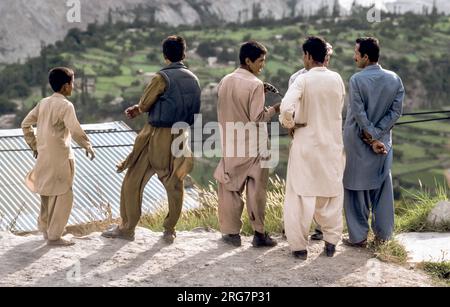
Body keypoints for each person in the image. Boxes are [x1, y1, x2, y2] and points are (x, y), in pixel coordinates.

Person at [102, 35, 201, 244]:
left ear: (165, 55)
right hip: (181, 135)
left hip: (158, 135)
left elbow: (146, 103)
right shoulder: (193, 78)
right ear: (184, 54)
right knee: (174, 182)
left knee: (133, 180)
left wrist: (136, 109)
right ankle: (169, 229)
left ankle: (127, 228)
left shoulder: (161, 77)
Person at [280, 36, 346, 260]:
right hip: (332, 144)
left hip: (306, 144)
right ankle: (331, 242)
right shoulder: (337, 79)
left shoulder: (303, 80)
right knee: (331, 194)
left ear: (308, 56)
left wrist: (290, 123)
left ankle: (299, 247)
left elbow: (286, 107)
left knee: (300, 195)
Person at [214, 40, 280, 248]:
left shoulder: (225, 80)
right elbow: (258, 117)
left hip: (231, 142)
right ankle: (259, 234)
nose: (262, 65)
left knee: (229, 188)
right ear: (248, 60)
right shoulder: (255, 84)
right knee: (256, 190)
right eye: (260, 61)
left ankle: (231, 233)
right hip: (254, 146)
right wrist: (275, 109)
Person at [22, 67, 95, 246]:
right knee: (64, 195)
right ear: (65, 86)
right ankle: (55, 236)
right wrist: (87, 144)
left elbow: (25, 124)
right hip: (61, 157)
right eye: (72, 84)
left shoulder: (43, 103)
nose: (73, 87)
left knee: (46, 193)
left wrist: (34, 145)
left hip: (44, 156)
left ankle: (46, 230)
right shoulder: (65, 105)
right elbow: (74, 128)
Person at [343, 37, 404, 247]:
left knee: (355, 189)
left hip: (358, 142)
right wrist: (378, 135)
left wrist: (371, 136)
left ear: (366, 57)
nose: (354, 57)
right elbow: (396, 112)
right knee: (382, 186)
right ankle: (384, 236)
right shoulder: (395, 79)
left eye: (356, 53)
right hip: (384, 143)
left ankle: (358, 236)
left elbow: (359, 114)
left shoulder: (356, 80)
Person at [285, 42, 334, 242]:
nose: (327, 60)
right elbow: (291, 107)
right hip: (304, 138)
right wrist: (291, 125)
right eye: (326, 55)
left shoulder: (330, 79)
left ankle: (320, 228)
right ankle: (297, 229)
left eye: (329, 56)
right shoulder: (296, 78)